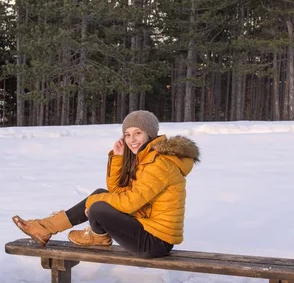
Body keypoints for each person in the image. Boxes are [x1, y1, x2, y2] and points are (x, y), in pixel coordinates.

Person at [12, 110, 200, 258]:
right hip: (147, 231)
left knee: (98, 206)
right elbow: (117, 192)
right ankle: (47, 228)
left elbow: (129, 203)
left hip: (155, 242)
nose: (131, 140)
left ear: (150, 134)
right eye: (127, 134)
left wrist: (94, 202)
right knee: (100, 196)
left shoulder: (158, 164)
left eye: (137, 133)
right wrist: (118, 159)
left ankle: (62, 230)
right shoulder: (147, 158)